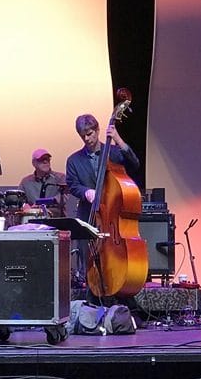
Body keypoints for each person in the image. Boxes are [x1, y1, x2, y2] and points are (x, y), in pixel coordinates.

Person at [66, 114, 140, 283]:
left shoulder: (113, 153)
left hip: (112, 216)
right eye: (82, 136)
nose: (86, 139)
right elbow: (72, 184)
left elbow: (135, 164)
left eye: (89, 133)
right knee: (88, 260)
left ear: (98, 130)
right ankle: (89, 288)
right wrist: (86, 192)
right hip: (88, 216)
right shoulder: (73, 160)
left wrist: (118, 140)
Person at [18, 148, 69, 217]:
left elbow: (63, 197)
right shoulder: (26, 182)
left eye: (48, 159)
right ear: (34, 163)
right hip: (33, 217)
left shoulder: (60, 177)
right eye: (41, 159)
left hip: (55, 218)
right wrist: (25, 207)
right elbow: (20, 200)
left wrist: (42, 205)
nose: (45, 162)